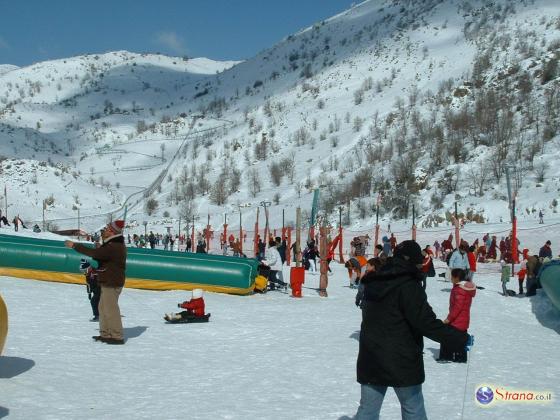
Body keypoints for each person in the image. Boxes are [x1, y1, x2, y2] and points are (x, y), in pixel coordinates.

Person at [355, 240, 469, 420]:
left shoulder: (374, 280)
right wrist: (459, 338)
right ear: (413, 262)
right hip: (401, 359)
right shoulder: (409, 286)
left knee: (367, 411)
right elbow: (426, 323)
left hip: (371, 356)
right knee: (412, 408)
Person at [65, 220, 127, 345]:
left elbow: (95, 254)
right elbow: (102, 255)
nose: (105, 230)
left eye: (108, 229)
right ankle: (105, 333)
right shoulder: (112, 244)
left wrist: (74, 246)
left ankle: (116, 336)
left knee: (111, 309)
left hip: (112, 281)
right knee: (103, 308)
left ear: (113, 232)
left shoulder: (114, 246)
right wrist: (100, 248)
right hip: (107, 280)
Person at [439, 269, 476, 363]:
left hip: (457, 320)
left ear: (456, 278)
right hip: (463, 320)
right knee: (460, 339)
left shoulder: (460, 290)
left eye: (452, 277)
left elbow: (457, 307)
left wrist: (449, 319)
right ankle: (461, 357)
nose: (451, 278)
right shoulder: (463, 288)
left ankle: (447, 356)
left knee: (445, 336)